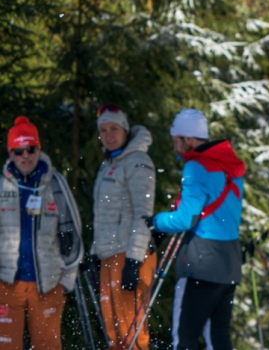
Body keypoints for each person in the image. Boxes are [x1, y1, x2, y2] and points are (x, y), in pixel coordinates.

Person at [148, 108, 245, 350]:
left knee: (186, 338)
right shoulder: (229, 165)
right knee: (218, 337)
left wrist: (155, 221)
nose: (174, 148)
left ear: (188, 139)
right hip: (229, 261)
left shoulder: (197, 167)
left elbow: (185, 219)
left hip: (202, 263)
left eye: (176, 141)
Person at [0, 116, 83, 350]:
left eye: (30, 149)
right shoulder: (1, 186)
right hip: (6, 284)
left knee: (47, 346)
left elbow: (72, 233)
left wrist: (66, 281)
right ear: (10, 152)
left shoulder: (55, 184)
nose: (25, 156)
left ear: (39, 148)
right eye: (18, 151)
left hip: (47, 283)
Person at [89, 105, 158, 349]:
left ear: (125, 131)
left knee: (131, 333)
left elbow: (143, 213)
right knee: (114, 334)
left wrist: (134, 260)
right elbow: (103, 214)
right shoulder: (109, 163)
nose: (108, 135)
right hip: (110, 255)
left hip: (129, 255)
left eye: (114, 129)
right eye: (103, 130)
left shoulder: (138, 161)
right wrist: (95, 254)